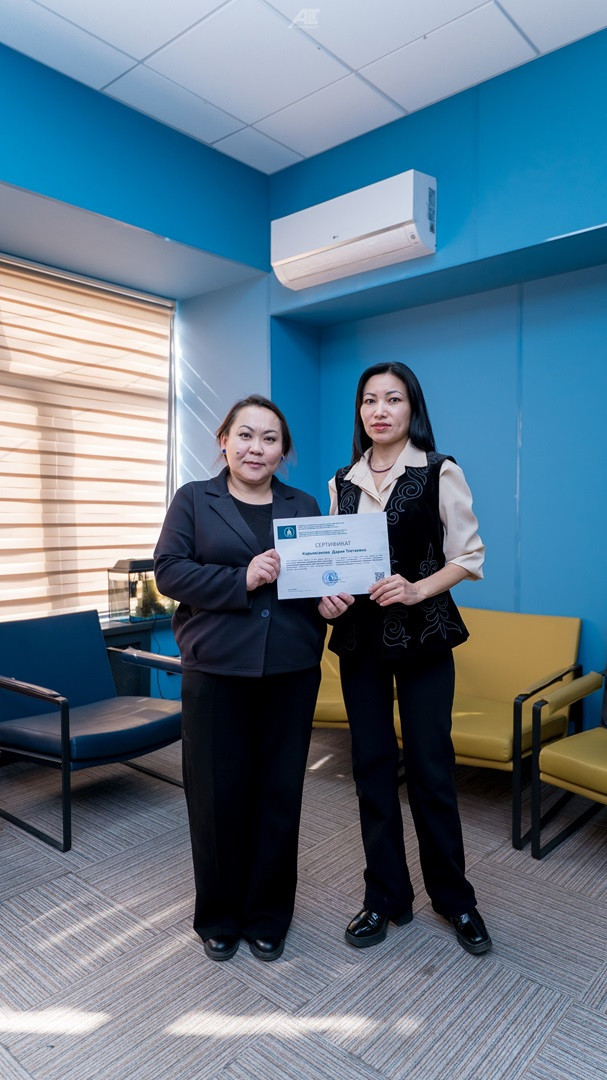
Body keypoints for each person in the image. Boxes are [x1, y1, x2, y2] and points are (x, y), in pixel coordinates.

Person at [318, 362, 492, 955]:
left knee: (430, 769)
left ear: (411, 408)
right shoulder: (341, 481)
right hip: (360, 641)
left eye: (392, 399)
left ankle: (454, 898)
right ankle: (385, 897)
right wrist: (329, 598)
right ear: (360, 411)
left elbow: (468, 557)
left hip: (425, 636)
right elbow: (333, 563)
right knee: (370, 768)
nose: (379, 410)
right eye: (369, 400)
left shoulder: (441, 471)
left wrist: (418, 589)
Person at [154, 394, 326, 962]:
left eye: (270, 439)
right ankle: (220, 916)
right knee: (215, 796)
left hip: (290, 669)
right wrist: (241, 579)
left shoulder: (303, 505)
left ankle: (269, 915)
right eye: (245, 435)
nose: (257, 448)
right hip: (216, 669)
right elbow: (169, 573)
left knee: (279, 792)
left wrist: (331, 601)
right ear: (224, 441)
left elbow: (318, 577)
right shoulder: (193, 499)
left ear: (283, 451)